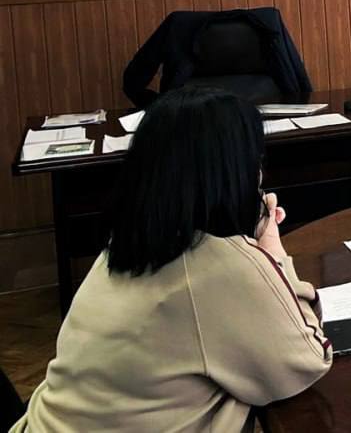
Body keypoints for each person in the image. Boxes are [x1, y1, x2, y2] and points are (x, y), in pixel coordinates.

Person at [12, 86, 331, 432]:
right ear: (234, 172)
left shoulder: (125, 243)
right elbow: (307, 359)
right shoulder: (219, 267)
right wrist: (272, 250)